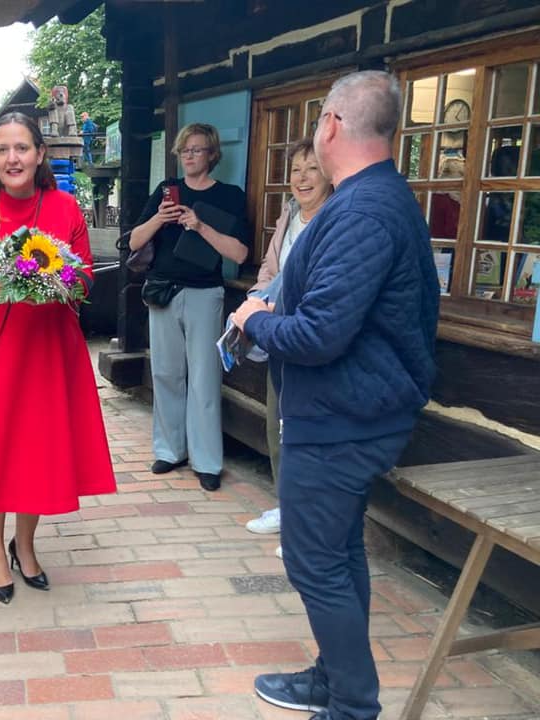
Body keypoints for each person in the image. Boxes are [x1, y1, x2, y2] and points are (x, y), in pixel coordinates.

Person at [231, 71, 439, 720]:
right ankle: (333, 677)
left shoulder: (365, 209)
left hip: (346, 417)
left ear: (332, 126)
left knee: (315, 561)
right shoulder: (369, 199)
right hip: (346, 410)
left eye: (319, 120)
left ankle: (351, 704)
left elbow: (320, 333)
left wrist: (253, 320)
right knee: (338, 553)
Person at [0, 112, 116, 605]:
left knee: (35, 451)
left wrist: (57, 281)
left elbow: (84, 280)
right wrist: (17, 283)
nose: (12, 158)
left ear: (39, 154)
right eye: (2, 149)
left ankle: (27, 544)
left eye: (21, 148)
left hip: (45, 350)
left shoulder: (64, 209)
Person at [128, 122, 248, 492]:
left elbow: (240, 253)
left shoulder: (230, 195)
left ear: (213, 154)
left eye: (197, 150)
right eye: (184, 150)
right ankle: (169, 449)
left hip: (204, 293)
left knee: (204, 378)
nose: (190, 156)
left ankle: (207, 460)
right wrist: (158, 218)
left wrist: (199, 226)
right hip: (163, 291)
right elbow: (133, 241)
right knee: (165, 373)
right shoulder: (165, 192)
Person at [241, 137, 333, 557]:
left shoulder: (335, 220)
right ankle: (285, 506)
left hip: (311, 338)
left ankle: (306, 526)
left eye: (312, 168)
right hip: (279, 334)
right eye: (296, 169)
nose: (302, 178)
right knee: (277, 424)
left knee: (306, 430)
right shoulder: (289, 215)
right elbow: (270, 267)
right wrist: (257, 298)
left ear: (329, 173)